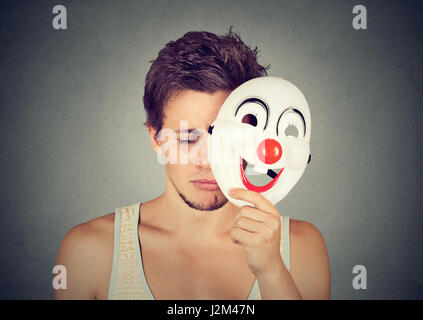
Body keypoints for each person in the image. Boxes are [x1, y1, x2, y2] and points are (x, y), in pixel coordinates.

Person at [54, 27, 330, 300]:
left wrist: (272, 271)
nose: (207, 161)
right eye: (188, 139)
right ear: (156, 138)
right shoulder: (88, 251)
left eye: (227, 139)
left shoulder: (301, 246)